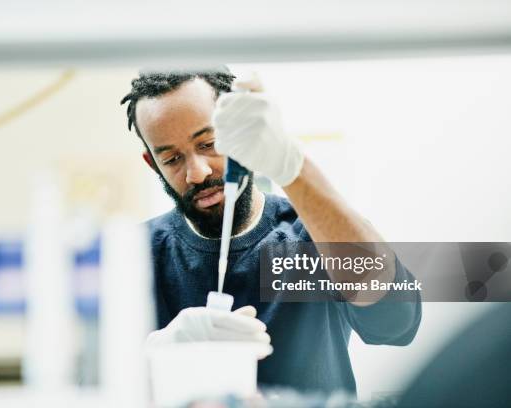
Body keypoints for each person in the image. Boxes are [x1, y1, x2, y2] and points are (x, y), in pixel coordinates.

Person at [120, 67, 421, 393]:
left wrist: (293, 167)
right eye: (173, 158)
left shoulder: (314, 233)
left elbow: (395, 321)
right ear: (153, 164)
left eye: (209, 143)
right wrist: (149, 364)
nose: (197, 172)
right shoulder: (133, 255)